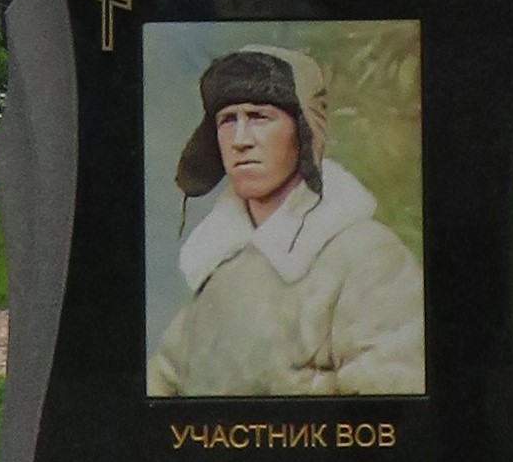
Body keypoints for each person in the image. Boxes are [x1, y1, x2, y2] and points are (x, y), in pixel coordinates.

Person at [147, 44, 425, 397]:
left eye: (259, 117)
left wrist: (287, 394)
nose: (240, 140)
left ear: (303, 131)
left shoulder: (367, 256)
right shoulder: (217, 262)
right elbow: (162, 383)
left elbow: (396, 394)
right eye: (228, 120)